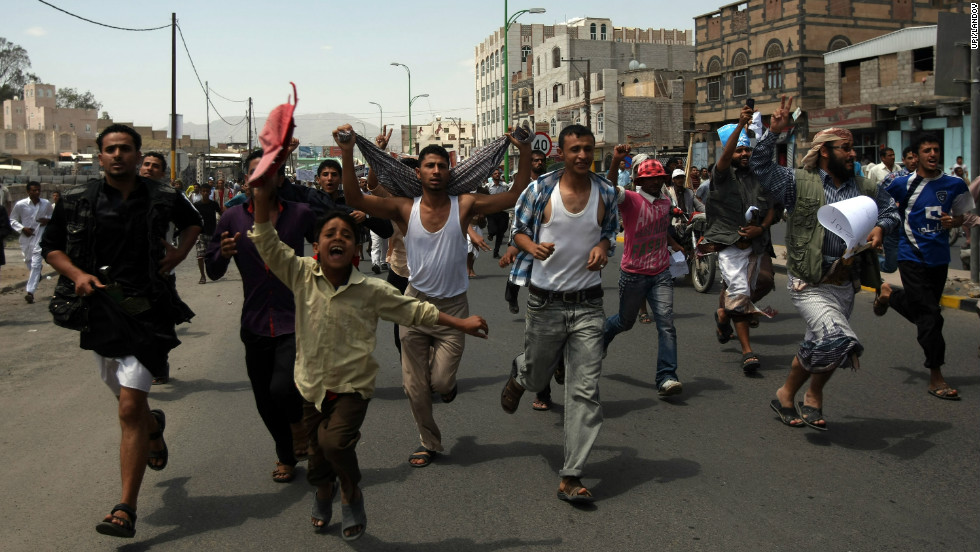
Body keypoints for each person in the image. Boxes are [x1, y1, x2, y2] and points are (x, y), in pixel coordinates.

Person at [248, 176, 487, 542]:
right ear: (316, 245)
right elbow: (266, 242)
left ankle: (350, 493)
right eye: (330, 234)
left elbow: (416, 311)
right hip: (310, 385)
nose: (338, 239)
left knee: (335, 444)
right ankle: (324, 490)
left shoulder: (371, 290)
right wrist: (262, 196)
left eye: (346, 234)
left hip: (352, 387)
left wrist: (461, 323)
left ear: (356, 249)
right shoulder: (300, 274)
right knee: (315, 460)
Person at [335, 124, 531, 468]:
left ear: (449, 171)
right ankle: (429, 441)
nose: (436, 171)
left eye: (442, 165)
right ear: (419, 173)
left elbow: (514, 196)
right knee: (415, 387)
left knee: (439, 381)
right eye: (430, 166)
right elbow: (355, 199)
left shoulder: (465, 203)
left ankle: (443, 386)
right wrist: (350, 151)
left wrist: (525, 151)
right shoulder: (403, 208)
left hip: (454, 306)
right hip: (413, 304)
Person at [40, 123, 202, 538]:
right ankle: (153, 428)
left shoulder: (163, 196)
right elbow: (51, 247)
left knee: (128, 407)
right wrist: (76, 274)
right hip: (100, 309)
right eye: (110, 149)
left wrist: (180, 253)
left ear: (136, 154)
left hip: (149, 309)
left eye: (125, 149)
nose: (118, 155)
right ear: (100, 157)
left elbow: (194, 223)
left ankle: (125, 509)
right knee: (118, 388)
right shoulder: (77, 200)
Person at [751, 97, 898, 431]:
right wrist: (773, 132)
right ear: (826, 152)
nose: (853, 153)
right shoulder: (797, 182)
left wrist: (880, 227)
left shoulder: (865, 188)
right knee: (838, 337)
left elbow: (891, 212)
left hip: (844, 283)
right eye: (845, 148)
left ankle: (789, 394)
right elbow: (760, 168)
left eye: (852, 148)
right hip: (808, 283)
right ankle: (812, 397)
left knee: (819, 343)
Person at [499, 123, 619, 503]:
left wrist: (603, 246)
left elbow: (610, 230)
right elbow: (517, 229)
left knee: (584, 391)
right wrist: (530, 246)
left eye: (587, 148)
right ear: (561, 154)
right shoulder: (540, 190)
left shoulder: (606, 192)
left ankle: (571, 475)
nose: (582, 155)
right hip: (545, 303)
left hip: (588, 304)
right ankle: (521, 373)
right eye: (574, 150)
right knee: (537, 377)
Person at [205, 148, 314, 484]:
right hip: (254, 320)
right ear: (246, 180)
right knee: (264, 398)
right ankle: (286, 456)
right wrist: (221, 256)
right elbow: (213, 269)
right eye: (254, 173)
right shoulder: (231, 218)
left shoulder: (300, 213)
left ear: (278, 178)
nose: (260, 179)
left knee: (283, 387)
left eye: (267, 172)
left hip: (293, 317)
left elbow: (330, 241)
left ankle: (299, 428)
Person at [875, 132, 974, 400]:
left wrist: (955, 222)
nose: (932, 154)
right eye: (927, 150)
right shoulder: (901, 184)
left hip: (940, 258)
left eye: (936, 150)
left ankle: (891, 296)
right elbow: (880, 207)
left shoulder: (954, 184)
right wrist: (878, 232)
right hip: (911, 256)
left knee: (925, 310)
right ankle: (936, 375)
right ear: (916, 156)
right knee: (931, 314)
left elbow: (966, 214)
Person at [603, 148, 685, 396]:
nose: (655, 182)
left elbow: (662, 229)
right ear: (640, 181)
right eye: (649, 179)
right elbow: (608, 188)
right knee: (624, 322)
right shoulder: (629, 199)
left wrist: (675, 245)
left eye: (658, 178)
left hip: (660, 272)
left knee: (667, 324)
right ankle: (601, 339)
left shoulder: (665, 201)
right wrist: (616, 160)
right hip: (633, 273)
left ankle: (667, 376)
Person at [706, 111, 777, 374]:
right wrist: (739, 126)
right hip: (730, 244)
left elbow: (773, 206)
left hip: (757, 245)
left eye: (747, 150)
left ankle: (725, 314)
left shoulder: (760, 175)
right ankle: (747, 351)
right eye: (738, 151)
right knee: (739, 294)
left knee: (764, 282)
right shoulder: (722, 174)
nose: (744, 155)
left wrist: (761, 228)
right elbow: (724, 160)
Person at [500, 149, 563, 411]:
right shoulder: (536, 190)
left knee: (570, 340)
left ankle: (557, 366)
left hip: (577, 284)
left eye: (541, 160)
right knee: (543, 342)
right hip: (541, 274)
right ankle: (542, 391)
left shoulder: (588, 195)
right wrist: (516, 248)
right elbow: (522, 229)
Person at [9, 181, 52, 303]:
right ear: (28, 191)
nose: (37, 192)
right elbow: (12, 220)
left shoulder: (46, 203)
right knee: (28, 260)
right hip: (26, 237)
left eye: (38, 190)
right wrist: (22, 228)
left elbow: (52, 216)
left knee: (35, 263)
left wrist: (47, 220)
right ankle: (37, 276)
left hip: (40, 236)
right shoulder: (20, 205)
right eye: (34, 190)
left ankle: (30, 292)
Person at [878, 147, 916, 273]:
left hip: (915, 229)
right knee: (891, 265)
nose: (914, 161)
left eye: (916, 157)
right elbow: (879, 198)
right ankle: (871, 260)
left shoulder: (927, 180)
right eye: (910, 158)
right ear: (904, 160)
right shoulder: (894, 178)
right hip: (895, 227)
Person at [192, 182, 220, 285]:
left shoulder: (213, 204)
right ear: (201, 192)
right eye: (203, 191)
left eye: (207, 191)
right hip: (201, 233)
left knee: (211, 256)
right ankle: (202, 276)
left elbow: (221, 214)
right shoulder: (196, 205)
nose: (205, 193)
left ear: (210, 192)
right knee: (200, 256)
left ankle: (212, 272)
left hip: (212, 232)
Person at [485, 168, 510, 259]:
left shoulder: (504, 186)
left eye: (498, 173)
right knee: (493, 229)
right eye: (495, 173)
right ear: (492, 176)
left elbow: (509, 195)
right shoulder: (487, 186)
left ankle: (496, 251)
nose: (497, 175)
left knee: (501, 232)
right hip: (491, 211)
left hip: (502, 211)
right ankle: (491, 234)